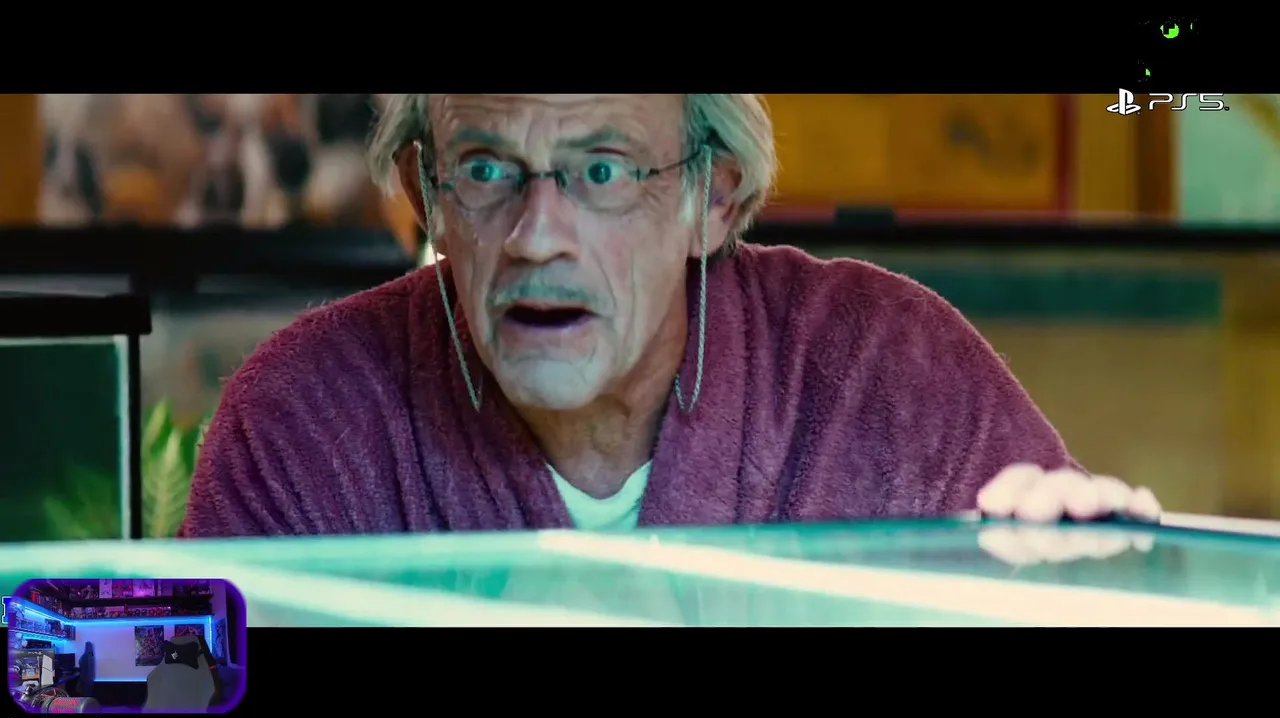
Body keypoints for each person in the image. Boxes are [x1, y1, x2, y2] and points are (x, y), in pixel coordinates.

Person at [179, 94, 1161, 559]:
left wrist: (1088, 571)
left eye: (602, 170)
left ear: (713, 198)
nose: (535, 237)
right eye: (484, 169)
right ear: (423, 193)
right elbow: (170, 687)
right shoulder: (305, 413)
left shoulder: (887, 367)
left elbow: (1072, 584)